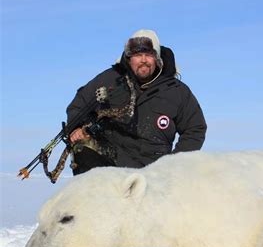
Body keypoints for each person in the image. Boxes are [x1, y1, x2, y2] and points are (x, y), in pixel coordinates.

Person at [66, 29, 207, 175]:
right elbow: (78, 105)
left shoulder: (177, 91)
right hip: (111, 162)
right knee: (82, 149)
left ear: (157, 58)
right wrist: (77, 128)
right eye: (138, 55)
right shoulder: (110, 80)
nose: (144, 60)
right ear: (129, 58)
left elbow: (195, 129)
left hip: (155, 171)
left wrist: (173, 164)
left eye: (149, 55)